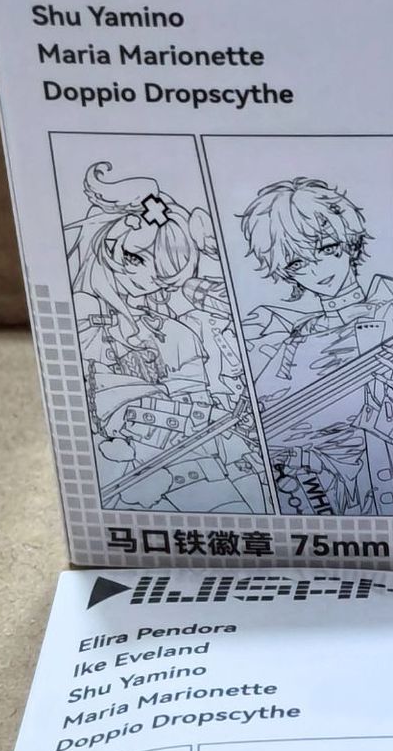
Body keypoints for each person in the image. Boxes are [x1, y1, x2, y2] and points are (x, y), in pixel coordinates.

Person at [67, 159, 267, 513]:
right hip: (116, 463)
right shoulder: (80, 314)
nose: (153, 283)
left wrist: (229, 417)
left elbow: (193, 400)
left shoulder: (177, 332)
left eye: (165, 276)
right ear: (114, 250)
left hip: (183, 465)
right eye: (142, 263)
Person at [236, 176, 393, 516]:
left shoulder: (392, 311)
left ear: (350, 242)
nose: (317, 269)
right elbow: (264, 415)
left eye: (326, 248)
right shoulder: (298, 335)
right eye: (297, 263)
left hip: (381, 479)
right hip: (314, 486)